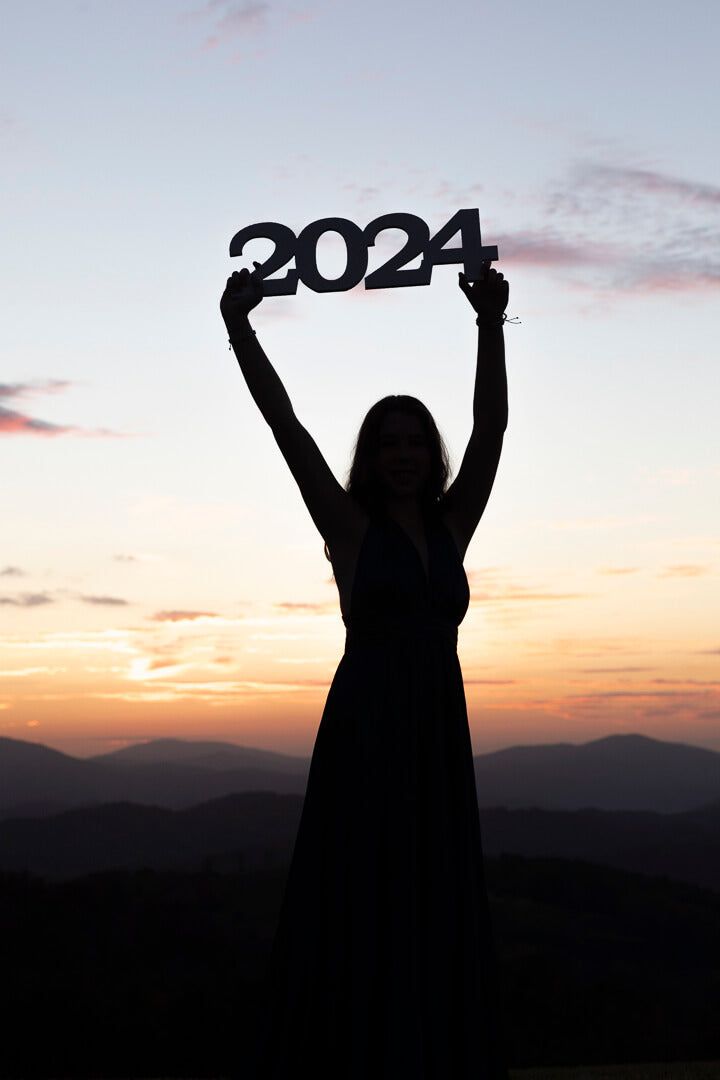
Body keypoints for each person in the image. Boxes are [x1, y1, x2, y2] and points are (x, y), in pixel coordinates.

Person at [220, 259, 511, 1079]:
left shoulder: (456, 524)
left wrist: (490, 324)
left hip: (437, 727)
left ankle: (432, 1049)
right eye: (389, 444)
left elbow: (491, 432)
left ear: (432, 452)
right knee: (362, 886)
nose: (404, 455)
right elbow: (289, 432)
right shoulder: (346, 525)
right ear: (371, 455)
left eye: (416, 441)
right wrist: (240, 331)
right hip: (368, 726)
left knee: (432, 887)